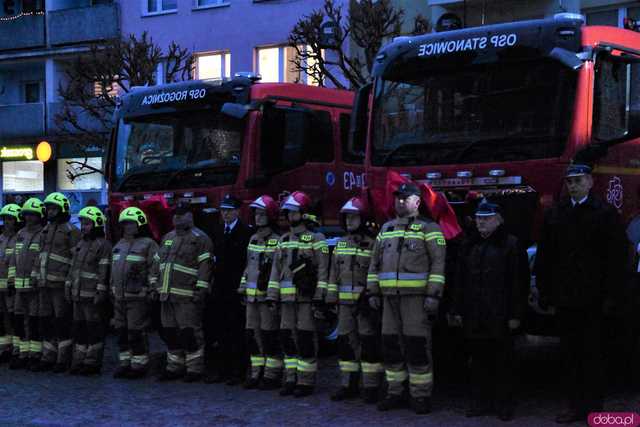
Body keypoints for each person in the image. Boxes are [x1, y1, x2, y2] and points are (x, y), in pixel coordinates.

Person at [535, 164, 627, 424]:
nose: (572, 186)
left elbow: (616, 257)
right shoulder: (556, 214)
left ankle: (594, 408)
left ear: (589, 182)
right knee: (570, 354)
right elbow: (546, 256)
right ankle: (574, 406)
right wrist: (545, 290)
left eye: (577, 181)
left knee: (593, 354)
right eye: (569, 181)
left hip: (594, 297)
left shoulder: (605, 213)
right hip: (565, 296)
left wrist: (612, 295)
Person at [367, 183, 447, 414]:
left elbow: (439, 265)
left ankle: (420, 396)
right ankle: (395, 392)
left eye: (405, 198)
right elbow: (374, 264)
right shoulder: (386, 228)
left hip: (417, 300)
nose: (399, 202)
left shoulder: (429, 229)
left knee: (417, 347)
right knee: (391, 346)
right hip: (389, 300)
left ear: (417, 202)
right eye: (397, 198)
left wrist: (433, 295)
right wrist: (373, 291)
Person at [452, 200, 529, 421]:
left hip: (500, 314)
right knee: (478, 362)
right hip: (475, 313)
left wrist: (516, 315)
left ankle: (504, 404)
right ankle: (480, 402)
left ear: (498, 220)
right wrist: (457, 308)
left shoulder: (511, 245)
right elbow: (460, 280)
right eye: (478, 218)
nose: (481, 222)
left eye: (486, 218)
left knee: (503, 362)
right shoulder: (469, 244)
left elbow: (518, 283)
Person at [267, 191, 329, 397]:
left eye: (293, 212)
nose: (289, 216)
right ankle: (290, 378)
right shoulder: (283, 240)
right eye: (288, 212)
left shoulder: (316, 238)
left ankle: (306, 382)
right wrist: (272, 296)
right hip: (286, 301)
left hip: (305, 300)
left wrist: (320, 297)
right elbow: (276, 270)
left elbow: (323, 270)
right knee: (288, 340)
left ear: (303, 213)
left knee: (305, 339)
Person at [326, 197, 381, 403]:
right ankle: (348, 385)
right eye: (347, 217)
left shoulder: (373, 244)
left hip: (363, 304)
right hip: (344, 306)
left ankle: (371, 387)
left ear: (363, 218)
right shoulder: (340, 244)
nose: (349, 221)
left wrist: (371, 296)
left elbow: (376, 273)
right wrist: (331, 299)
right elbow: (333, 274)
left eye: (354, 217)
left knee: (368, 345)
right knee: (346, 345)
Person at [155, 203, 213, 383]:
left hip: (187, 296)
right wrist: (154, 286)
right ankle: (174, 368)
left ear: (191, 216)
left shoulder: (200, 238)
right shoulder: (168, 237)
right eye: (175, 214)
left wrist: (200, 290)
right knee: (170, 334)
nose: (177, 218)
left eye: (182, 214)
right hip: (166, 296)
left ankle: (195, 369)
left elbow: (206, 267)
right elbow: (157, 265)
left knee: (190, 334)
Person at [205, 194, 251, 385]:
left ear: (237, 212)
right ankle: (222, 370)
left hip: (236, 288)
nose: (225, 214)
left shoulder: (246, 233)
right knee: (220, 330)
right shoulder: (216, 232)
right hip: (220, 289)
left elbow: (247, 262)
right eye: (223, 210)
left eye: (229, 210)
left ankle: (238, 371)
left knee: (237, 331)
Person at [237, 195, 282, 390]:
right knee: (252, 336)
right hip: (251, 297)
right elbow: (249, 267)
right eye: (256, 213)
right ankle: (256, 373)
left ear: (270, 215)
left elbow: (279, 270)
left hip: (266, 297)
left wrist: (273, 295)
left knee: (268, 335)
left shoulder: (278, 240)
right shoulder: (253, 238)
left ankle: (271, 375)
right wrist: (242, 287)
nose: (258, 217)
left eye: (262, 214)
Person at [111, 207, 159, 379]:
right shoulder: (119, 245)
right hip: (119, 297)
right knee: (121, 332)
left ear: (140, 224)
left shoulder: (149, 244)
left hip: (138, 297)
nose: (128, 227)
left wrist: (151, 289)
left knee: (136, 332)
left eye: (131, 223)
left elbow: (155, 269)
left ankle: (139, 365)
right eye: (125, 224)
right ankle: (125, 363)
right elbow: (113, 271)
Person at [36, 192, 81, 372]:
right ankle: (48, 357)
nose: (50, 212)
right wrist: (35, 276)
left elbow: (77, 260)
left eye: (53, 208)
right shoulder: (45, 230)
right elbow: (39, 257)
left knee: (62, 322)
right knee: (46, 321)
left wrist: (71, 282)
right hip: (44, 285)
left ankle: (63, 359)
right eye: (48, 208)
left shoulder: (71, 231)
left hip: (61, 285)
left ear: (62, 209)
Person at [66, 206, 111, 376]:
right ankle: (78, 361)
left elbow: (103, 271)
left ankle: (92, 363)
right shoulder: (80, 244)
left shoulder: (103, 245)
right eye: (83, 223)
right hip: (78, 295)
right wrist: (68, 285)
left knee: (94, 330)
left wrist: (100, 292)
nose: (84, 227)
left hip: (92, 296)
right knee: (79, 330)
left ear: (97, 224)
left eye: (88, 223)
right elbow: (73, 268)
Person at [9, 198, 45, 370]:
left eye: (33, 214)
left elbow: (41, 260)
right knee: (18, 320)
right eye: (26, 214)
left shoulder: (43, 234)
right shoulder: (21, 234)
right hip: (18, 286)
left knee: (33, 320)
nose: (29, 218)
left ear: (39, 216)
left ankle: (34, 354)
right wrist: (10, 281)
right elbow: (14, 260)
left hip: (34, 286)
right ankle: (22, 354)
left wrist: (37, 278)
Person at [0, 204, 22, 364]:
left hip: (11, 286)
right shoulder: (1, 238)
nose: (7, 222)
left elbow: (17, 263)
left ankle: (16, 349)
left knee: (15, 318)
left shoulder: (19, 238)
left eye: (10, 219)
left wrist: (12, 284)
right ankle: (4, 349)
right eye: (5, 219)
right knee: (2, 318)